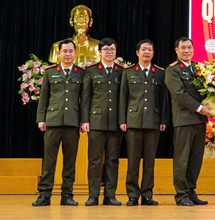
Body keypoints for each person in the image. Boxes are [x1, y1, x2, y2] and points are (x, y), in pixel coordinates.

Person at [33, 40, 84, 207]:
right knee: (49, 161)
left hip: (72, 122)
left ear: (75, 53)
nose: (68, 54)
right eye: (65, 51)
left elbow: (84, 100)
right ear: (59, 53)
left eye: (71, 51)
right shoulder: (50, 72)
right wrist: (41, 119)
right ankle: (44, 194)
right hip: (53, 121)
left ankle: (67, 194)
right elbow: (44, 98)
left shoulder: (81, 73)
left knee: (70, 161)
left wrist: (84, 120)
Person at [120, 39, 169, 206]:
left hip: (153, 122)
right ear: (137, 52)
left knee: (149, 162)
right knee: (133, 161)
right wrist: (122, 120)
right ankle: (132, 195)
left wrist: (163, 119)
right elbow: (123, 98)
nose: (146, 52)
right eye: (143, 49)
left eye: (149, 50)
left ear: (153, 53)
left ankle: (147, 194)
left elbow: (163, 99)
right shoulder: (128, 72)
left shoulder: (160, 73)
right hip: (133, 122)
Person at [165, 37, 212, 206]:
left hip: (199, 120)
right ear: (176, 50)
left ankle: (191, 192)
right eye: (183, 48)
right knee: (182, 159)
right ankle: (181, 194)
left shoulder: (198, 68)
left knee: (195, 159)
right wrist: (200, 108)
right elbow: (179, 94)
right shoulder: (173, 70)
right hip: (184, 120)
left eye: (189, 47)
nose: (187, 51)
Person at [81, 38, 125, 206]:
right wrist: (85, 120)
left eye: (112, 49)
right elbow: (86, 97)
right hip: (96, 121)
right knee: (95, 160)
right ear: (99, 52)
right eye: (106, 49)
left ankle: (110, 195)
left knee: (113, 160)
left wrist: (123, 120)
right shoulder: (91, 70)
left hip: (115, 122)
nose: (109, 52)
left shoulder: (121, 71)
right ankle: (93, 195)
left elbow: (124, 98)